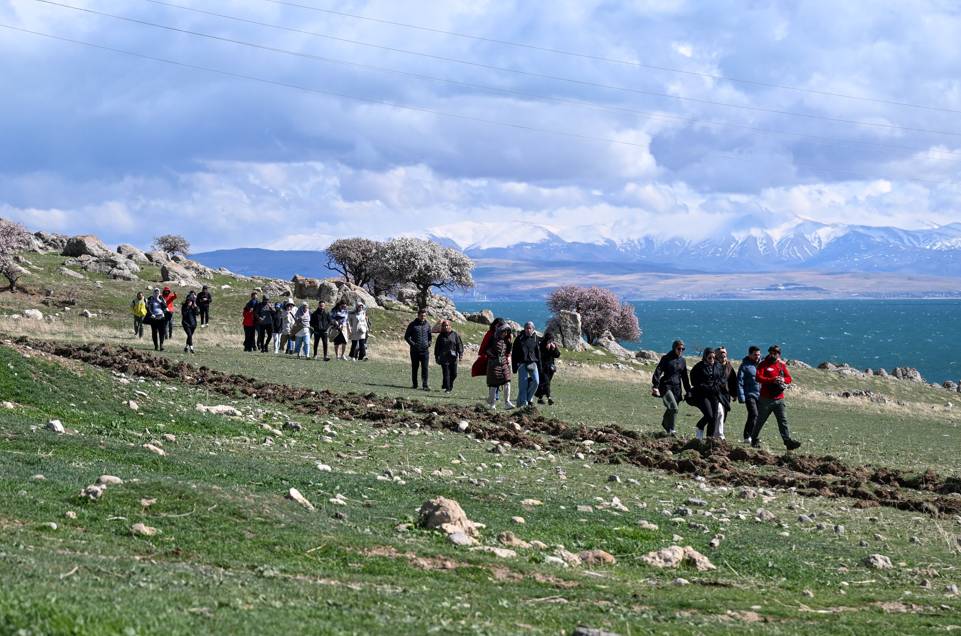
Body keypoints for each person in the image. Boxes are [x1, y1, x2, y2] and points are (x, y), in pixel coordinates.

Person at [751, 345, 802, 450]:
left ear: (779, 354)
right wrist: (772, 379)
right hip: (766, 399)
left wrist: (782, 380)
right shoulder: (763, 364)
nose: (774, 354)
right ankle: (754, 439)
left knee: (783, 421)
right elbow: (758, 377)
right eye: (772, 352)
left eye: (776, 353)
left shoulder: (781, 365)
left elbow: (789, 378)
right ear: (769, 352)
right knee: (760, 420)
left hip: (779, 399)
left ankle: (787, 441)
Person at [651, 340, 692, 436]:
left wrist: (688, 391)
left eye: (683, 349)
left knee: (673, 408)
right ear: (674, 348)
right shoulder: (666, 358)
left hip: (677, 388)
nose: (681, 350)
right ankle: (672, 430)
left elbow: (685, 377)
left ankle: (665, 424)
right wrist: (655, 386)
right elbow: (658, 371)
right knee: (673, 408)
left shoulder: (683, 361)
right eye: (679, 348)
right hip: (665, 386)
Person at [690, 348, 723, 440]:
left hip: (714, 394)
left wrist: (717, 386)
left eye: (713, 357)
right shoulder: (698, 367)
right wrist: (705, 387)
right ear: (705, 357)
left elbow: (721, 378)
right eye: (709, 357)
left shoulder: (718, 366)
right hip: (702, 395)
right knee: (709, 415)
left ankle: (710, 439)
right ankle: (700, 426)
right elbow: (694, 381)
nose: (712, 359)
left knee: (714, 418)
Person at [511, 321, 541, 408]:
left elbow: (538, 353)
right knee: (523, 385)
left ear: (533, 329)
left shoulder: (535, 339)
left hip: (533, 363)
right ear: (524, 329)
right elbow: (514, 354)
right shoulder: (519, 339)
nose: (528, 330)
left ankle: (527, 399)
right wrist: (514, 367)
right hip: (522, 364)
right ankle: (524, 404)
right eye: (526, 328)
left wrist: (540, 366)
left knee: (536, 382)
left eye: (529, 328)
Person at [737, 346, 762, 444]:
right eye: (755, 354)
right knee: (753, 414)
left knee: (758, 416)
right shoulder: (744, 366)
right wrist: (741, 397)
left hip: (761, 395)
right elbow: (739, 382)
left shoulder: (761, 365)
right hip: (749, 395)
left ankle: (754, 436)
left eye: (759, 354)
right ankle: (747, 436)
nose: (757, 356)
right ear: (749, 354)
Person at [486, 323, 514, 409]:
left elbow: (508, 351)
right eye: (504, 332)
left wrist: (510, 342)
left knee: (507, 382)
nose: (505, 333)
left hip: (504, 364)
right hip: (494, 365)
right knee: (494, 385)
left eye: (506, 332)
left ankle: (507, 402)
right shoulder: (492, 339)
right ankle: (492, 403)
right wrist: (494, 357)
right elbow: (487, 350)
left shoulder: (506, 340)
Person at [714, 346, 738, 440]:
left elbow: (732, 380)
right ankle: (719, 435)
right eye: (720, 353)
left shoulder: (728, 365)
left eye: (724, 352)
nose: (722, 354)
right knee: (719, 412)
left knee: (724, 413)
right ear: (716, 354)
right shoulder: (713, 364)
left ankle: (716, 434)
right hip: (715, 393)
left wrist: (735, 394)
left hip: (725, 394)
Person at [404, 308, 432, 390]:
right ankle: (415, 384)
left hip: (425, 351)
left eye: (424, 316)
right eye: (421, 315)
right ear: (418, 315)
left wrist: (429, 344)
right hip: (414, 351)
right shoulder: (412, 324)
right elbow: (406, 337)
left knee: (425, 368)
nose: (423, 317)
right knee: (415, 368)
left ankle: (425, 385)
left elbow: (430, 337)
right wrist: (413, 344)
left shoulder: (428, 325)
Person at [434, 320, 464, 392]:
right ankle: (448, 388)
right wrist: (436, 357)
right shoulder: (440, 336)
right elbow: (437, 347)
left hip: (453, 358)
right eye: (444, 326)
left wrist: (460, 355)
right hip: (444, 358)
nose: (446, 327)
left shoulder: (455, 335)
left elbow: (459, 344)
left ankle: (448, 384)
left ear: (450, 326)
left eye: (447, 325)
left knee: (454, 374)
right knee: (446, 373)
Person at [535, 330, 561, 405]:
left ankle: (539, 397)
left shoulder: (553, 345)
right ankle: (549, 398)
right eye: (549, 339)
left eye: (551, 340)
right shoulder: (541, 345)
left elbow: (557, 355)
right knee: (546, 382)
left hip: (550, 368)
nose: (550, 341)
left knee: (545, 383)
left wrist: (554, 349)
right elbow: (540, 356)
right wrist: (546, 349)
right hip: (542, 368)